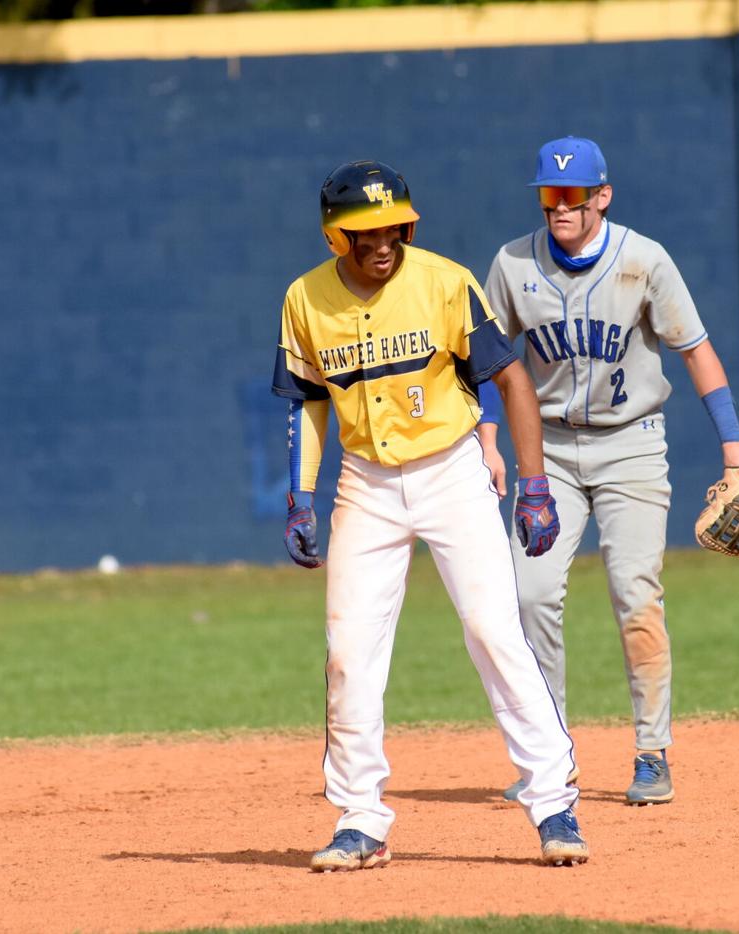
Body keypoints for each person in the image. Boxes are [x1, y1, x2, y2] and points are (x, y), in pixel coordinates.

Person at [272, 159, 589, 870]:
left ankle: (552, 802)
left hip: (451, 472)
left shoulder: (444, 281)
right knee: (349, 653)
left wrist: (533, 485)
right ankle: (360, 819)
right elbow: (308, 402)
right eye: (365, 232)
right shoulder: (304, 300)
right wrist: (301, 495)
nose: (383, 242)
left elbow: (510, 379)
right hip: (366, 483)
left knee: (492, 630)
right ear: (334, 237)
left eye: (395, 227)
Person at [481, 137, 739, 806]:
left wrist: (734, 445)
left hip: (632, 447)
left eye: (571, 196)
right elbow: (489, 362)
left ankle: (651, 751)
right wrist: (489, 441)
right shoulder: (511, 264)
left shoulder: (643, 261)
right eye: (548, 195)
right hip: (546, 450)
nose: (558, 207)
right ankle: (550, 758)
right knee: (527, 596)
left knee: (635, 595)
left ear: (601, 197)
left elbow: (697, 352)